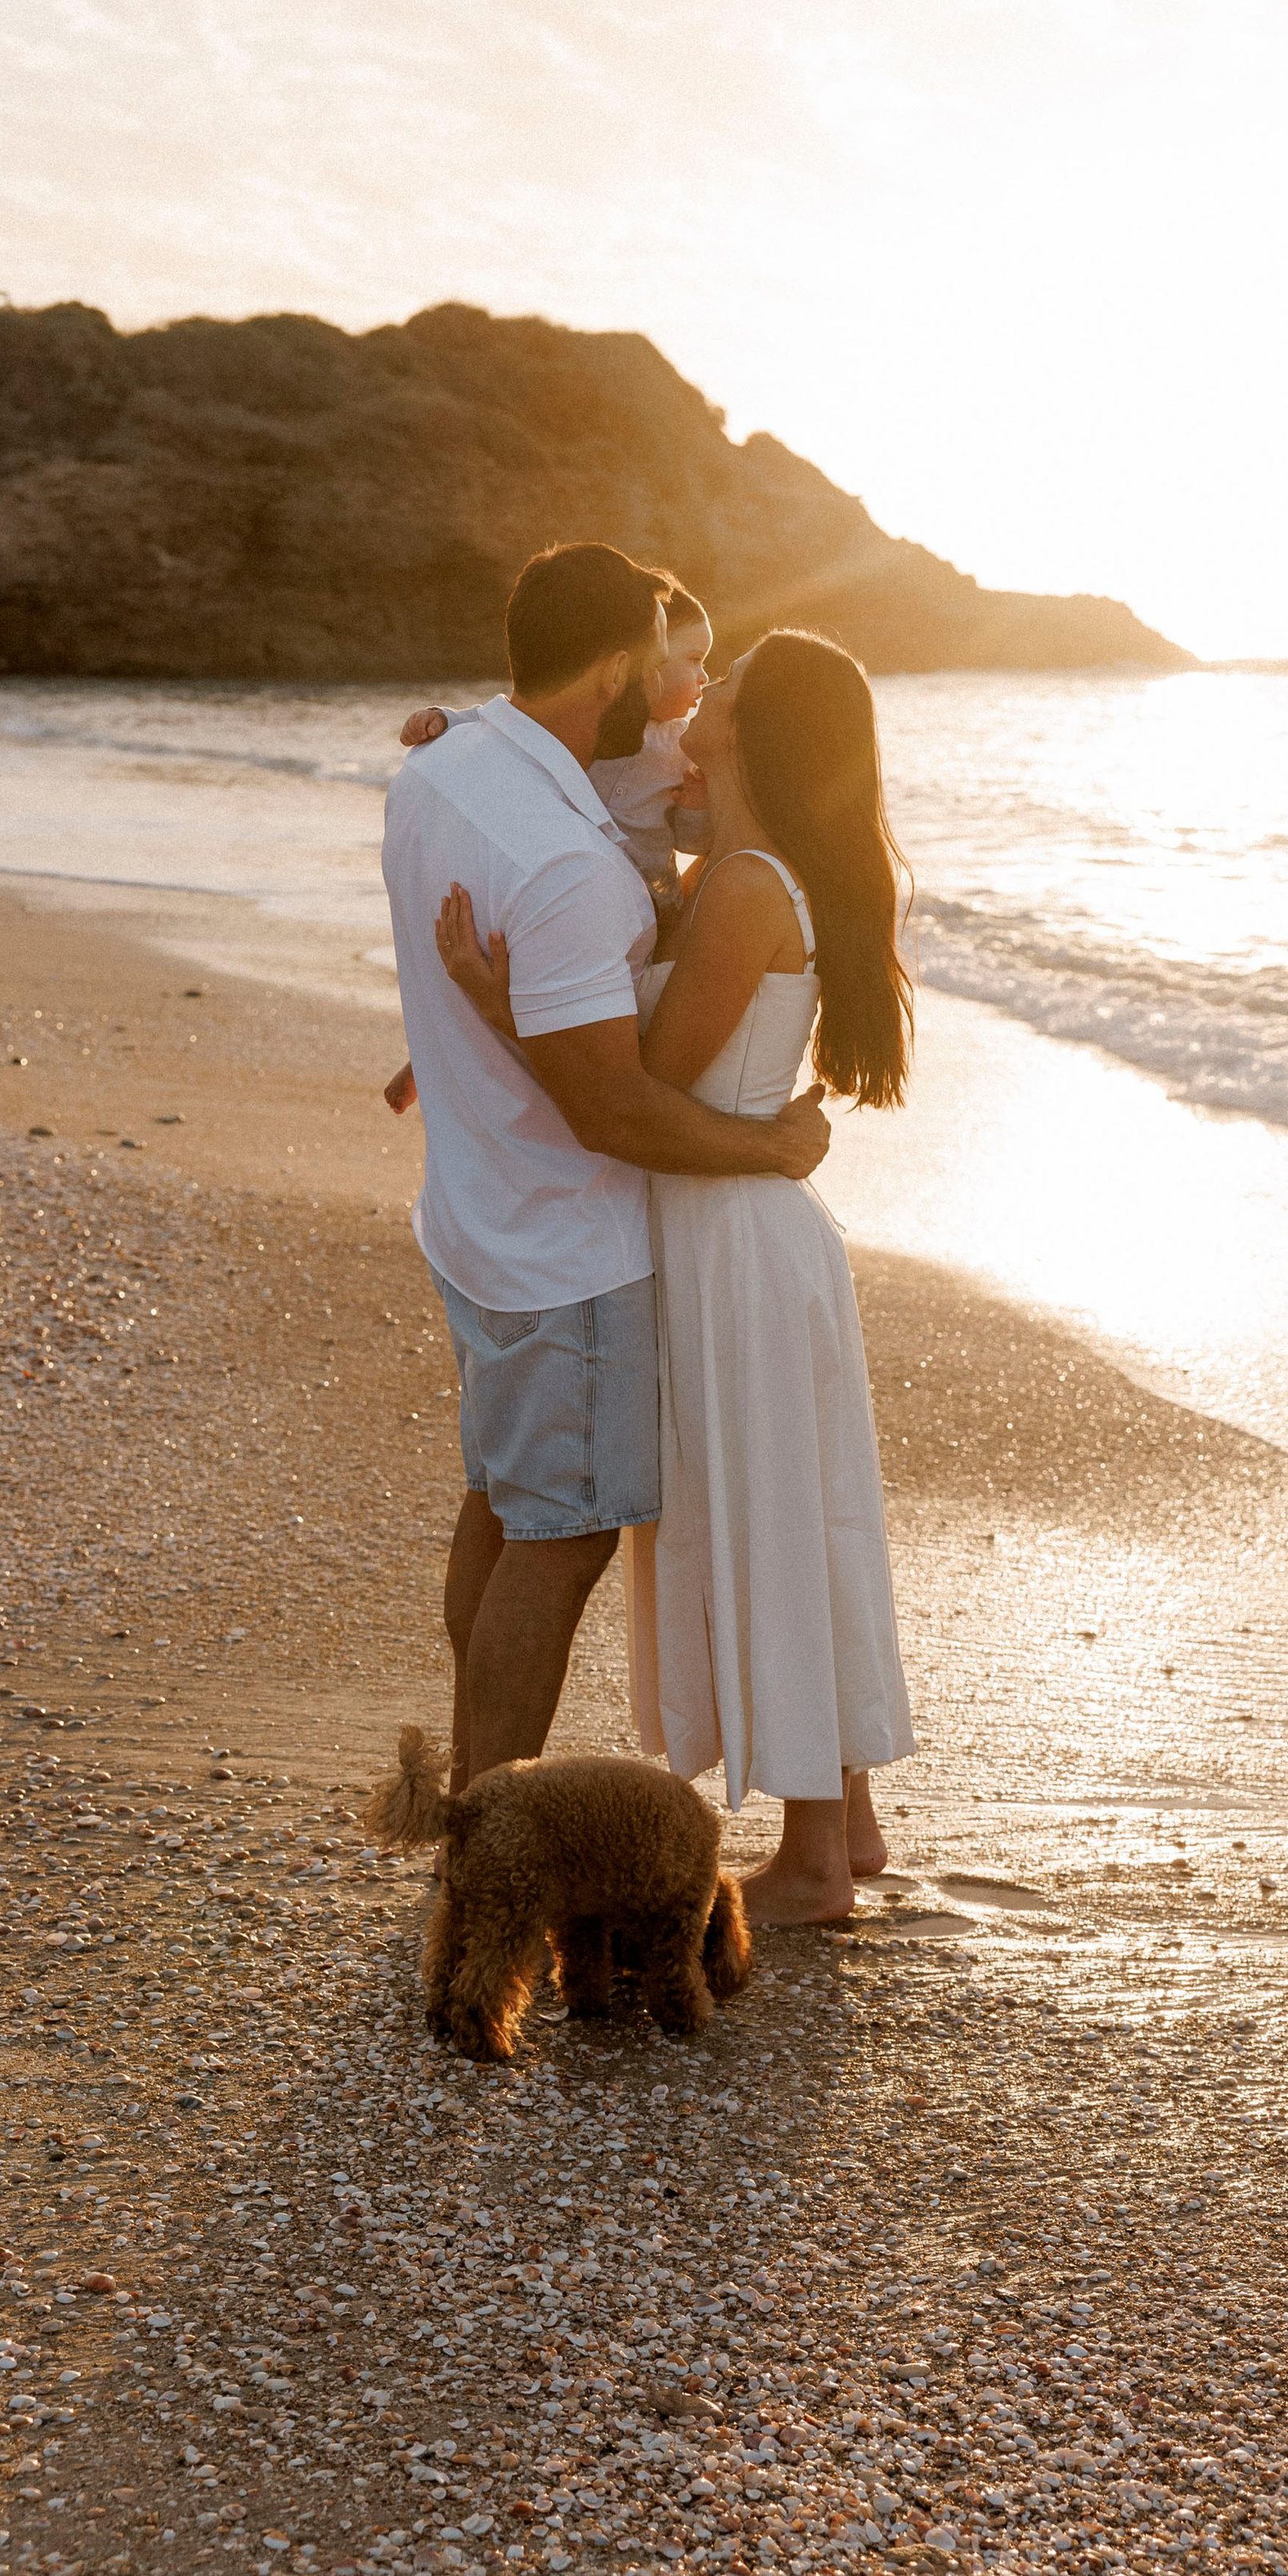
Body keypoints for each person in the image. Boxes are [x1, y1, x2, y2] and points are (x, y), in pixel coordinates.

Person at [438, 627, 917, 1926]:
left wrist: (494, 1010)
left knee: (774, 1522)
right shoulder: (734, 873)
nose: (694, 707)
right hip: (745, 1233)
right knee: (799, 1518)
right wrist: (456, 752)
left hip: (733, 1244)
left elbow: (633, 1079)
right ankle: (848, 1823)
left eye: (726, 693)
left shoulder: (750, 886)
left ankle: (815, 1864)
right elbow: (586, 813)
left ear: (758, 733)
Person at [381, 544, 831, 1799]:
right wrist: (771, 1146)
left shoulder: (441, 770)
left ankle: (469, 1815)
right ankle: (493, 1851)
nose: (682, 694)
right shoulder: (570, 861)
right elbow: (610, 1108)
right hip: (562, 1246)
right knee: (560, 1538)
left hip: (475, 1215)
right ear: (619, 663)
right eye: (668, 662)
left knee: (503, 1508)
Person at [382, 583, 714, 1118]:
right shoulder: (600, 722)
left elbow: (695, 840)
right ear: (628, 666)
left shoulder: (683, 745)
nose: (703, 677)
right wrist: (448, 718)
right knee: (519, 974)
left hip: (651, 898)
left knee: (620, 1007)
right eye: (692, 659)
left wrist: (697, 804)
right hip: (573, 885)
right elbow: (513, 723)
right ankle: (434, 1051)